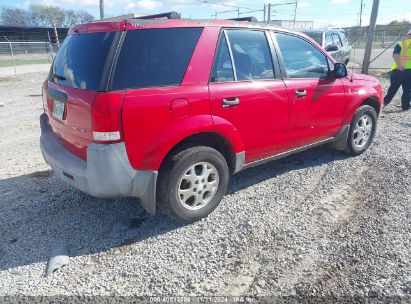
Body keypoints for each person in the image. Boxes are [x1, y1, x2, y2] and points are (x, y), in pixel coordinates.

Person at [384, 29, 411, 110]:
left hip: (399, 70)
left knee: (393, 88)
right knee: (408, 90)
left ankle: (384, 103)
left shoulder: (401, 44)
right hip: (410, 71)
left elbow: (395, 54)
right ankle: (405, 106)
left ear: (408, 35)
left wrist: (399, 65)